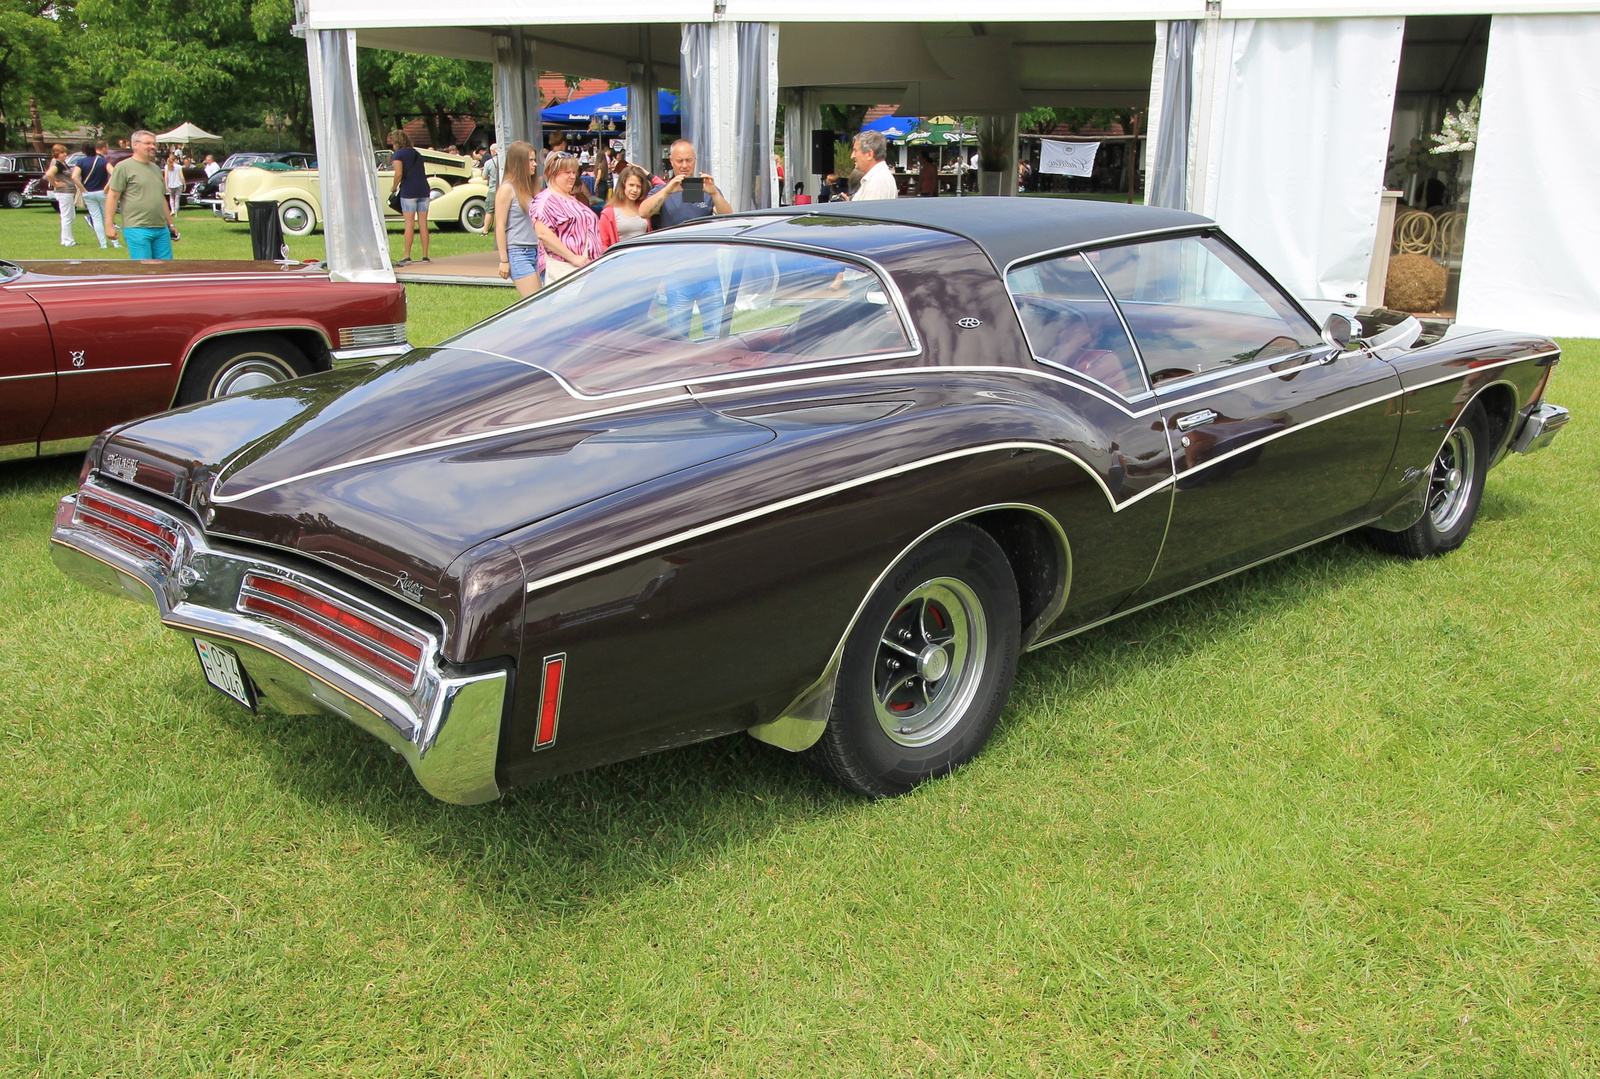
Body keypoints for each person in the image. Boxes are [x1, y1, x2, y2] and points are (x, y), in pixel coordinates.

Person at [105, 129, 179, 259]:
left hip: (161, 229)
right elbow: (113, 196)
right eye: (147, 143)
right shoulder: (123, 167)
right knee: (144, 270)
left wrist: (170, 225)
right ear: (135, 145)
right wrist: (109, 225)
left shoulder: (155, 168)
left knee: (166, 271)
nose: (152, 147)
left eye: (154, 144)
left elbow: (161, 198)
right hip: (137, 228)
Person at [531, 154, 600, 284]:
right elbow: (543, 233)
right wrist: (573, 257)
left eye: (574, 172)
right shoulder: (546, 200)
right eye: (567, 172)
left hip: (584, 269)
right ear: (552, 173)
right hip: (565, 271)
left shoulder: (571, 199)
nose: (572, 176)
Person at [637, 138, 731, 228]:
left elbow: (729, 219)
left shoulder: (706, 188)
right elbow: (643, 213)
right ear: (671, 161)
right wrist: (667, 191)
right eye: (680, 161)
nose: (684, 165)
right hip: (674, 242)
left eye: (689, 160)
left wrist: (714, 193)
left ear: (695, 160)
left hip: (702, 243)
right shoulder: (662, 190)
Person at [494, 141, 543, 297]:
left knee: (541, 302)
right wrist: (503, 260)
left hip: (537, 250)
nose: (534, 164)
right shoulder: (507, 189)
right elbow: (499, 226)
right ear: (518, 162)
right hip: (518, 252)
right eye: (530, 160)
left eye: (534, 160)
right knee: (535, 305)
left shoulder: (531, 187)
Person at [387, 129, 431, 265]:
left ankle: (407, 255)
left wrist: (394, 187)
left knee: (409, 224)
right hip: (424, 189)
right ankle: (425, 255)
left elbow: (399, 174)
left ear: (396, 142)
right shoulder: (417, 154)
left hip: (409, 191)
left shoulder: (398, 154)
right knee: (423, 223)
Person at [598, 164, 652, 253]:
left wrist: (648, 175)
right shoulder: (609, 213)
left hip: (643, 260)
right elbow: (603, 244)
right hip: (621, 262)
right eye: (631, 185)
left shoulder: (644, 208)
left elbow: (664, 188)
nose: (635, 190)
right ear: (623, 185)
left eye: (638, 186)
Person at [72, 141, 112, 249]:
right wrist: (107, 187)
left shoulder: (80, 162)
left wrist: (83, 189)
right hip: (102, 192)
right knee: (107, 217)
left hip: (88, 192)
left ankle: (103, 244)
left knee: (96, 218)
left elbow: (74, 177)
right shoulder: (102, 161)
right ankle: (115, 242)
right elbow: (114, 173)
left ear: (83, 151)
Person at [44, 144, 80, 247]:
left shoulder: (62, 163)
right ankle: (68, 241)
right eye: (62, 152)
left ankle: (65, 239)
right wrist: (55, 184)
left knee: (70, 216)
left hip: (68, 192)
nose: (65, 154)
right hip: (64, 192)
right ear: (57, 154)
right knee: (67, 217)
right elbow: (49, 174)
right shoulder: (57, 164)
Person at [844, 130, 896, 201]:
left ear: (869, 154)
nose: (852, 156)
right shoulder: (879, 177)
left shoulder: (875, 183)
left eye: (855, 151)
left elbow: (865, 211)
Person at [480, 142, 501, 234]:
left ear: (493, 152)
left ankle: (485, 231)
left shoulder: (488, 163)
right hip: (503, 189)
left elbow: (484, 177)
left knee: (489, 210)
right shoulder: (505, 161)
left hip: (493, 189)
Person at [163, 151, 185, 216]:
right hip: (178, 184)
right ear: (175, 160)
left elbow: (166, 177)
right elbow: (181, 177)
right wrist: (184, 184)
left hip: (170, 185)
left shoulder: (167, 166)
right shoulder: (179, 167)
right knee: (177, 198)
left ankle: (172, 210)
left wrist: (166, 185)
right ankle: (176, 213)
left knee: (171, 198)